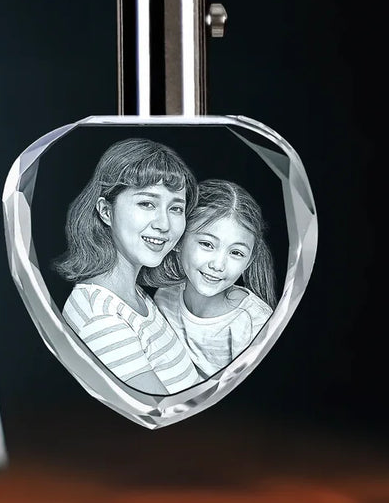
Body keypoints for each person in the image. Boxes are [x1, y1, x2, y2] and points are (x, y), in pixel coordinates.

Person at [54, 138, 202, 396]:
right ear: (105, 211)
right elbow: (162, 420)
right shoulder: (101, 316)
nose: (164, 225)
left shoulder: (134, 296)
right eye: (147, 203)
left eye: (176, 208)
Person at [147, 179, 277, 377]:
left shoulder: (253, 324)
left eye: (236, 253)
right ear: (178, 241)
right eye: (207, 244)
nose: (218, 265)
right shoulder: (165, 297)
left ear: (248, 262)